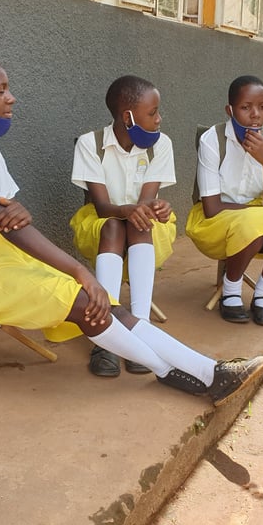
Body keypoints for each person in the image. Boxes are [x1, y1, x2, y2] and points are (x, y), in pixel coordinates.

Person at [0, 52, 263, 406]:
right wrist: (79, 270)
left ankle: (200, 371)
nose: (11, 98)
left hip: (4, 254)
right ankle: (196, 372)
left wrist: (12, 218)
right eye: (1, 90)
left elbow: (13, 219)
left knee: (104, 302)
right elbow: (10, 224)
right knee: (89, 299)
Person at [70, 76, 176, 377]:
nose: (159, 118)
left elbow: (146, 203)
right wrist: (125, 211)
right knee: (114, 226)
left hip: (146, 228)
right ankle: (107, 331)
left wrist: (158, 207)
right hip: (101, 223)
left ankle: (140, 327)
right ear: (128, 117)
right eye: (152, 112)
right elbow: (102, 207)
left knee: (139, 224)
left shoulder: (161, 144)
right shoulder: (91, 144)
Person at [186, 75, 263, 326]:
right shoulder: (213, 139)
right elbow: (212, 207)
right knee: (251, 226)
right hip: (214, 220)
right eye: (245, 107)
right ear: (230, 110)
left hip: (257, 216)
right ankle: (230, 291)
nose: (256, 114)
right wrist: (253, 214)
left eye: (262, 106)